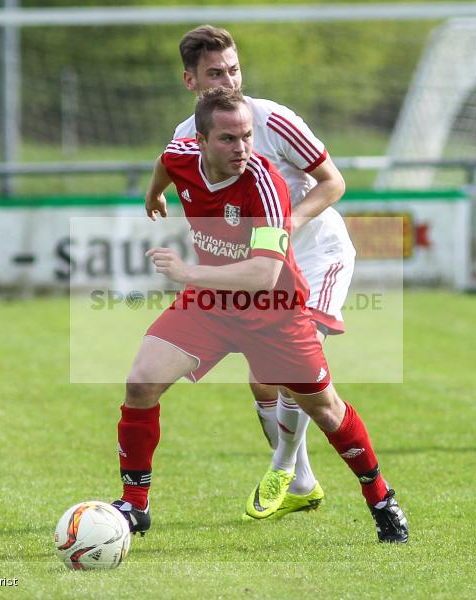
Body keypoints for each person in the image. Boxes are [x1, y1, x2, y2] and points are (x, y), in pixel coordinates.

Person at [110, 87, 407, 543]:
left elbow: (265, 274)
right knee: (141, 382)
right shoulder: (181, 153)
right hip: (212, 306)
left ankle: (382, 499)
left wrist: (188, 272)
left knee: (325, 410)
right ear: (202, 140)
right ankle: (135, 505)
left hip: (274, 312)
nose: (242, 148)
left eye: (247, 136)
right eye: (228, 139)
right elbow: (165, 162)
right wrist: (154, 196)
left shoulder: (266, 185)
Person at [173, 25, 357, 520]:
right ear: (190, 81)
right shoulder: (184, 139)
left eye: (233, 69)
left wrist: (283, 227)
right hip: (263, 272)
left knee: (293, 370)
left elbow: (333, 182)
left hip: (317, 255)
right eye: (214, 73)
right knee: (261, 382)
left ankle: (282, 470)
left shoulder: (273, 118)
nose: (226, 80)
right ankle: (302, 483)